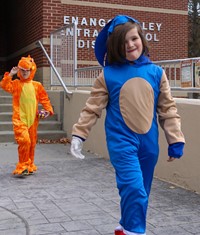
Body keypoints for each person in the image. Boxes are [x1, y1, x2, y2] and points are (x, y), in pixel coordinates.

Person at [70, 15, 185, 235]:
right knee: (134, 189)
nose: (130, 45)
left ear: (141, 37)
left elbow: (168, 109)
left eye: (134, 38)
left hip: (149, 144)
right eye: (123, 42)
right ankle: (134, 231)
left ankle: (124, 226)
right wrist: (79, 135)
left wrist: (175, 139)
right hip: (122, 142)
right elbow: (92, 107)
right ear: (115, 47)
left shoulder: (157, 73)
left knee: (141, 191)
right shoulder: (108, 75)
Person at [0, 55, 54, 176]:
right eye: (22, 70)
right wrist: (10, 75)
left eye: (27, 70)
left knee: (32, 143)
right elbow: (4, 85)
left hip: (33, 120)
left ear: (31, 70)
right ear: (19, 71)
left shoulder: (37, 85)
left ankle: (29, 165)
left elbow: (45, 99)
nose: (24, 73)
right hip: (20, 120)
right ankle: (23, 165)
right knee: (24, 141)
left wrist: (47, 110)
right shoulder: (16, 84)